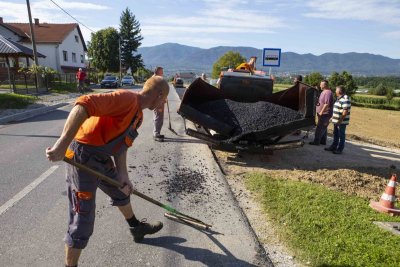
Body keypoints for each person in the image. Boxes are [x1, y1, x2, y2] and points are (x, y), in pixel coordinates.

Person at [45, 76, 169, 267]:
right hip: (82, 155)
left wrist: (123, 176)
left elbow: (121, 147)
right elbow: (83, 105)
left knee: (121, 190)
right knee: (82, 217)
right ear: (159, 94)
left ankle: (136, 228)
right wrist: (61, 144)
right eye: (164, 99)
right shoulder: (125, 99)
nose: (164, 103)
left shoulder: (139, 116)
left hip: (101, 158)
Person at [325, 85, 351, 154]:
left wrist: (340, 121)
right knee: (336, 134)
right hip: (336, 121)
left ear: (339, 91)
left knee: (341, 135)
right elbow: (337, 109)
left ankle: (339, 149)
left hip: (341, 122)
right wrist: (332, 117)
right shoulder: (339, 98)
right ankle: (334, 146)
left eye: (336, 90)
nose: (335, 91)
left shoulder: (346, 98)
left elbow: (345, 111)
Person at [309, 80, 334, 146]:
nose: (320, 85)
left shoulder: (328, 92)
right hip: (323, 114)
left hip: (325, 114)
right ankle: (323, 141)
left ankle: (316, 142)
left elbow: (326, 104)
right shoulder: (324, 92)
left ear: (325, 85)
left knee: (319, 128)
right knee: (324, 128)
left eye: (321, 84)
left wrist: (321, 112)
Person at [152, 66, 166, 142]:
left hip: (159, 101)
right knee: (158, 117)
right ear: (158, 72)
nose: (162, 74)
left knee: (158, 117)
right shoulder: (156, 80)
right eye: (161, 72)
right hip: (158, 102)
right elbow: (157, 94)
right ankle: (156, 134)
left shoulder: (155, 79)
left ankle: (157, 133)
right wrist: (159, 105)